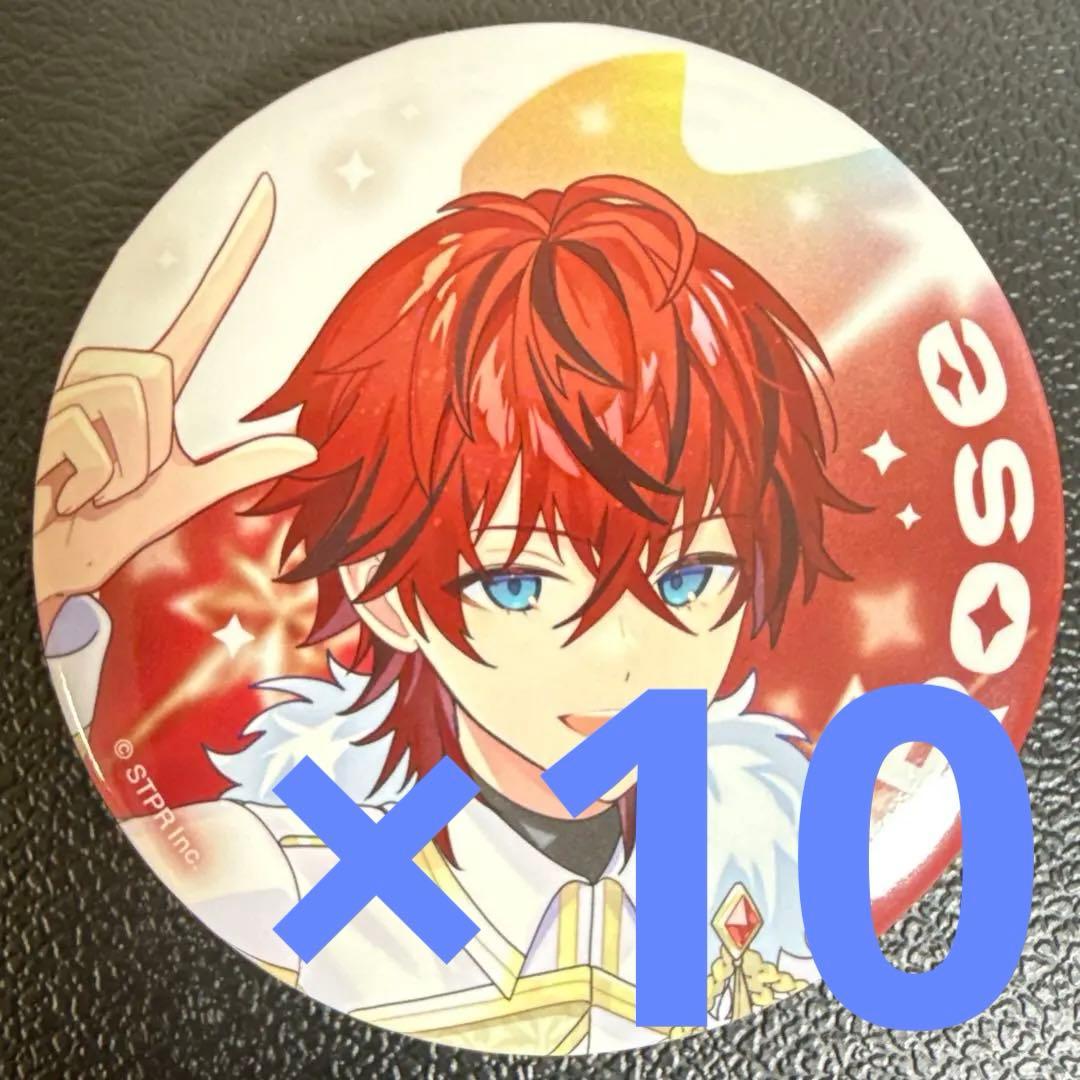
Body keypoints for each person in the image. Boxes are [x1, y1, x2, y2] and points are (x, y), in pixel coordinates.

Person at [35, 172, 857, 1054]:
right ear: (383, 593)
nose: (622, 657)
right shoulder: (290, 873)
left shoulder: (775, 880)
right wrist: (65, 590)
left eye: (690, 576)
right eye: (518, 586)